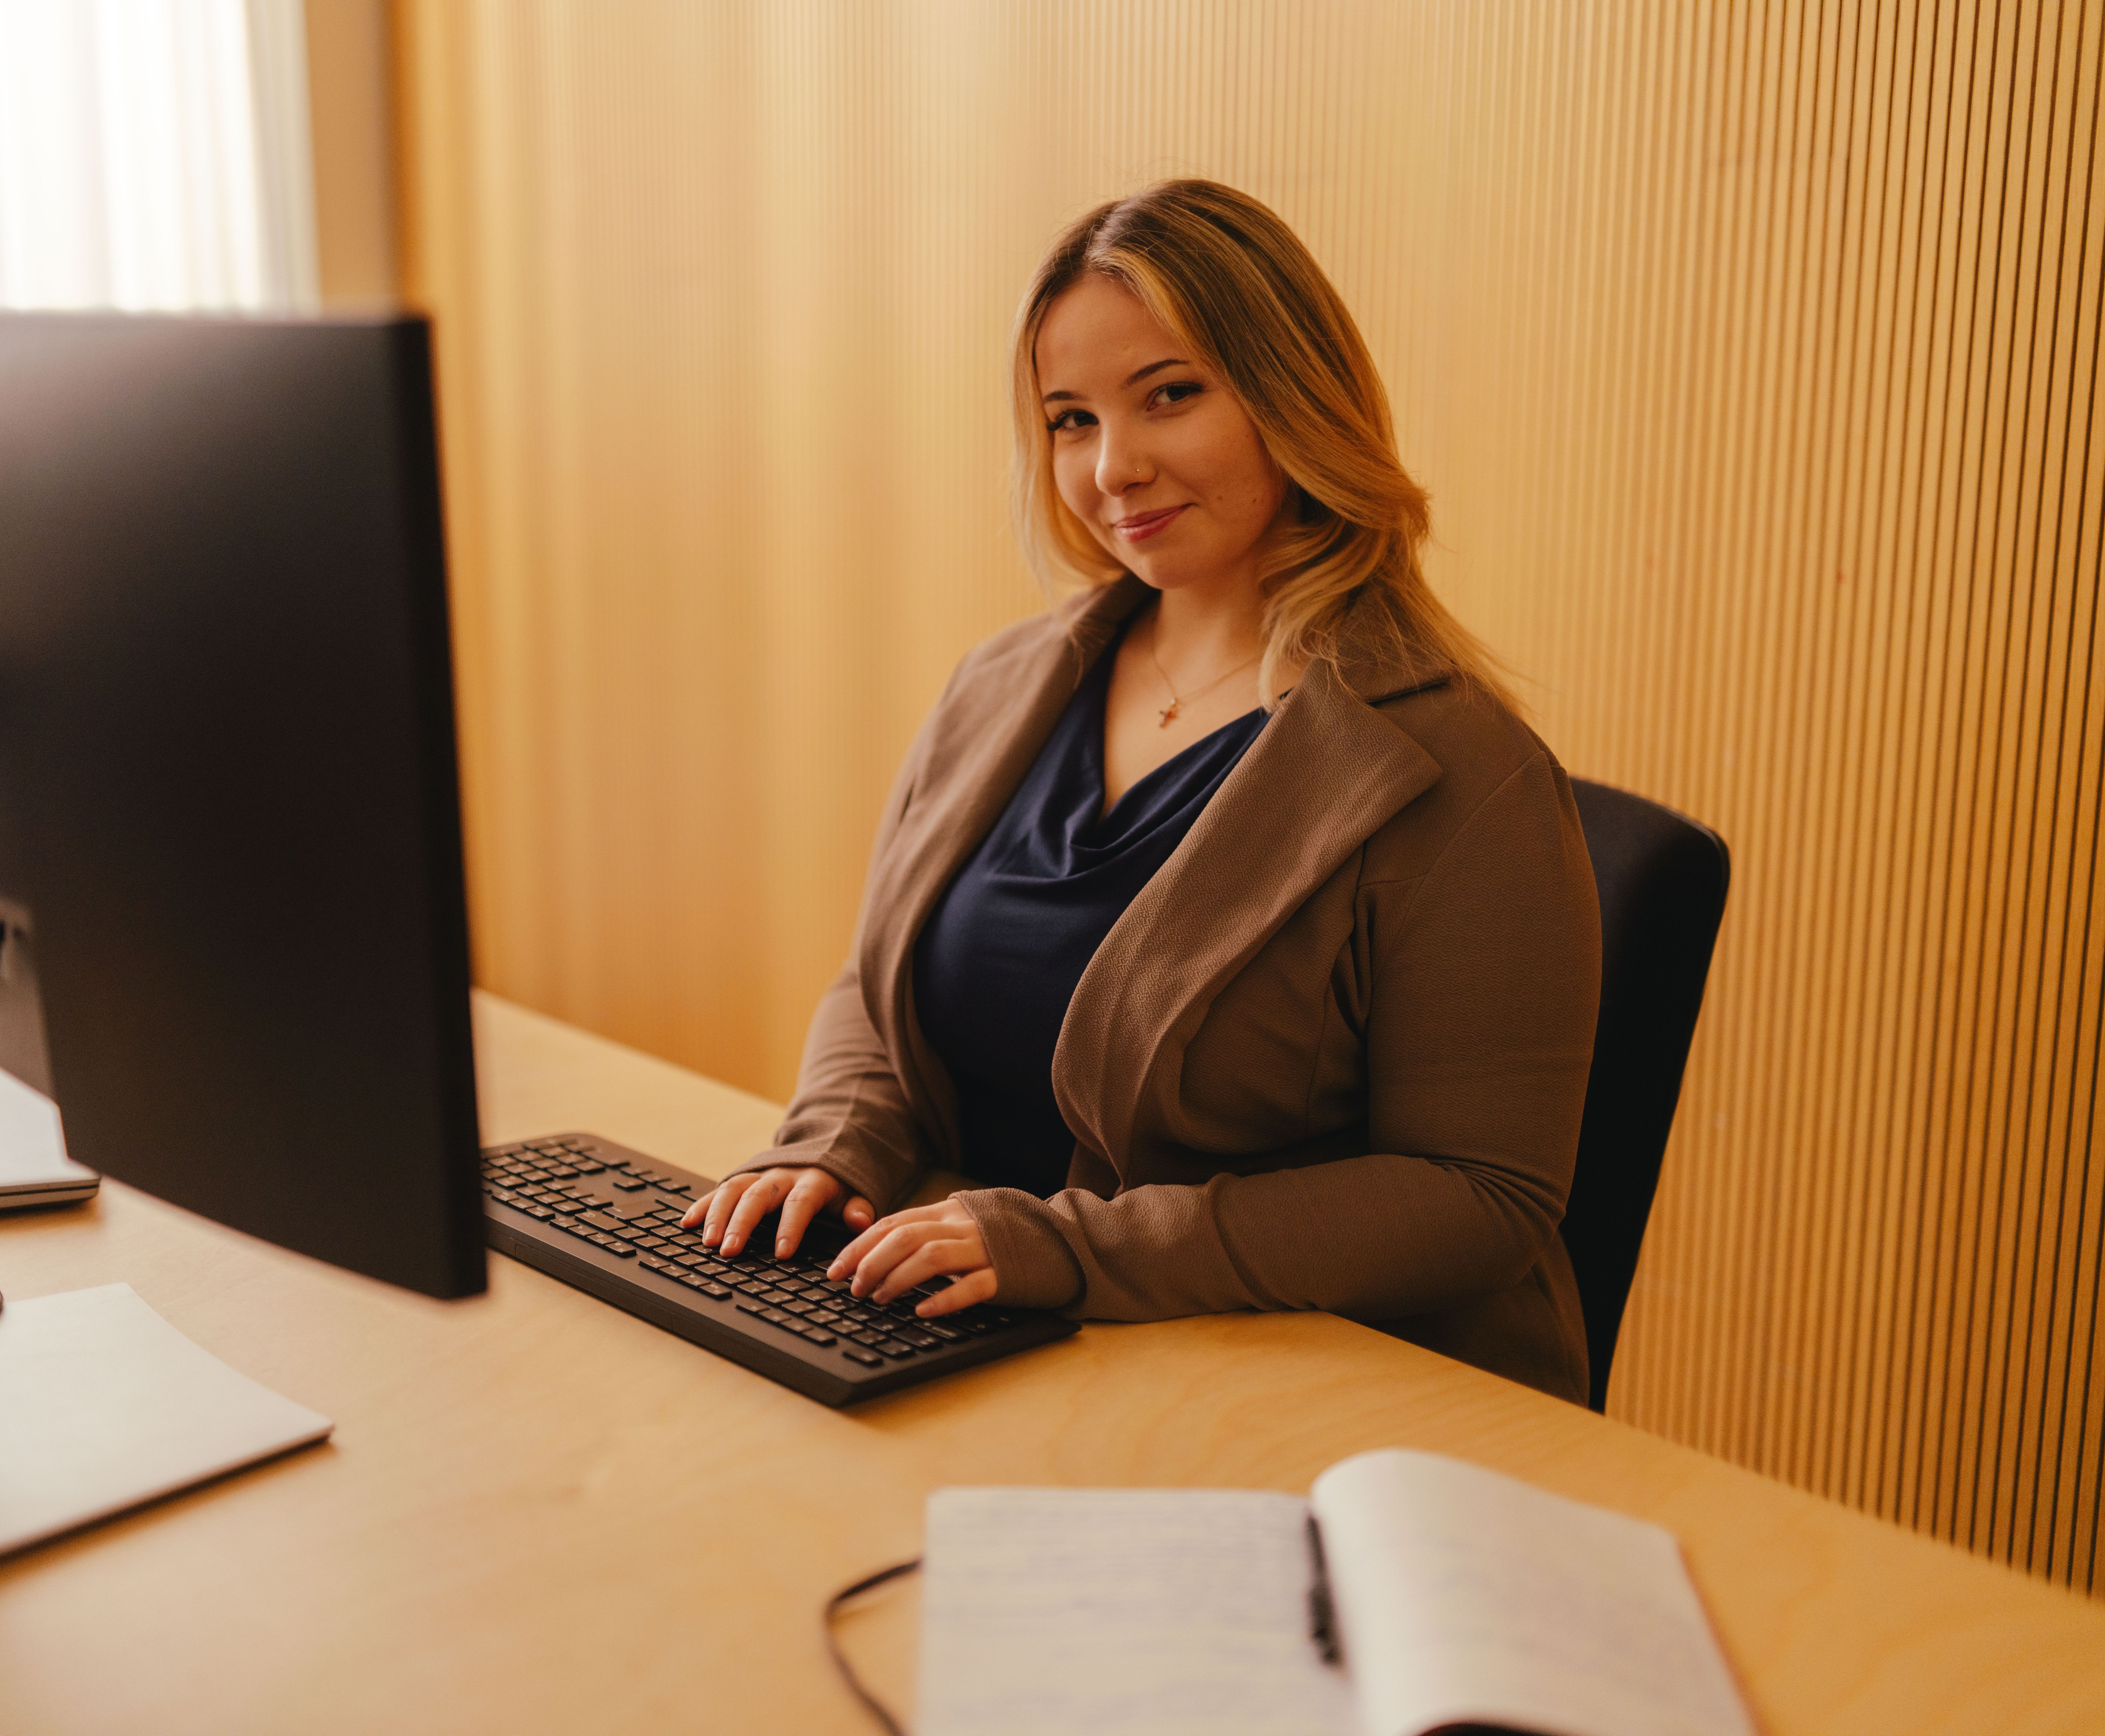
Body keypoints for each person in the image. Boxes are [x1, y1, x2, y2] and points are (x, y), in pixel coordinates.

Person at [681, 179, 1602, 1401]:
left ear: (1290, 396)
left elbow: (1479, 1198)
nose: (1113, 467)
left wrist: (1067, 1250)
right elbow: (881, 980)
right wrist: (834, 1144)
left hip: (1290, 1391)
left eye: (1170, 395)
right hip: (978, 1338)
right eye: (1069, 419)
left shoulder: (1458, 773)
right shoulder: (1006, 683)